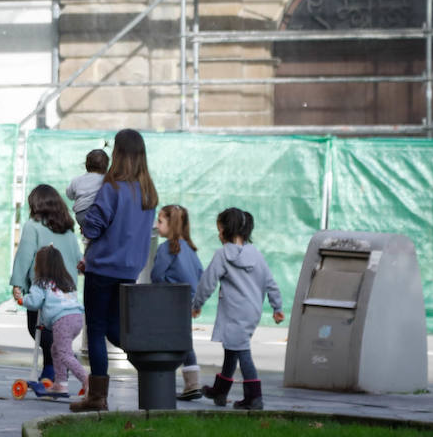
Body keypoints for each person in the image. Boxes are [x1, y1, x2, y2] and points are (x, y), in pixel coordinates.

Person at [72, 128, 158, 413]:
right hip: (129, 270)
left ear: (117, 154)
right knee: (112, 328)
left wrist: (83, 220)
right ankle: (152, 361)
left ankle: (97, 397)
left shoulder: (113, 187)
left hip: (103, 268)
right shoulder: (147, 191)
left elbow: (94, 226)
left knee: (96, 329)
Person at [192, 207, 285, 411]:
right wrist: (277, 307)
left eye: (220, 229)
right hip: (252, 311)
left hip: (234, 311)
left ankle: (254, 397)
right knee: (232, 348)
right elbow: (270, 282)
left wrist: (197, 304)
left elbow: (207, 282)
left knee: (241, 351)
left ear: (227, 229)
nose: (218, 234)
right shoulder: (257, 255)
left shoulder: (222, 255)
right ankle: (220, 391)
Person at [9, 184, 82, 390]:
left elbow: (25, 255)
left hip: (42, 285)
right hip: (66, 288)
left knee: (38, 329)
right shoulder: (67, 228)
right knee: (56, 329)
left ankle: (54, 365)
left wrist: (18, 283)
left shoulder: (33, 226)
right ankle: (57, 365)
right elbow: (77, 257)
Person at [151, 204, 204, 400]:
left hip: (169, 302)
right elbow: (200, 274)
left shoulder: (167, 248)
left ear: (171, 224)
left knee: (168, 342)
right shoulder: (190, 249)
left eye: (160, 220)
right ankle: (193, 383)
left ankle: (164, 380)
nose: (157, 224)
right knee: (184, 342)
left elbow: (156, 275)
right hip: (187, 301)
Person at [22, 246, 87, 399]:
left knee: (64, 353)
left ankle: (87, 380)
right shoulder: (66, 281)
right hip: (76, 318)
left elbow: (34, 302)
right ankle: (60, 384)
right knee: (56, 350)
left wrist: (22, 300)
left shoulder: (40, 283)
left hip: (62, 321)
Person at [66, 149, 109, 234]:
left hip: (80, 214)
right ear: (106, 165)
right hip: (97, 212)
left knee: (88, 234)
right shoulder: (105, 179)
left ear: (86, 165)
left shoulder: (77, 180)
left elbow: (69, 195)